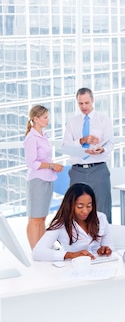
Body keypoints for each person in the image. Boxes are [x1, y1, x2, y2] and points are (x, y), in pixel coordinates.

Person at [62, 87, 114, 223]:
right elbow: (66, 148)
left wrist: (101, 150)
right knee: (75, 209)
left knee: (102, 209)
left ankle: (104, 243)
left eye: (86, 103)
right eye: (80, 103)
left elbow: (110, 143)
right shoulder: (73, 122)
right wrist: (82, 141)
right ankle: (79, 242)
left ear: (92, 101)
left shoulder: (103, 120)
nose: (84, 106)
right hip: (77, 170)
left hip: (98, 169)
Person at [32, 183, 114, 261]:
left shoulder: (101, 218)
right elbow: (37, 252)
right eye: (80, 206)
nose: (85, 211)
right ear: (70, 205)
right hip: (74, 268)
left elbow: (110, 245)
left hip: (100, 266)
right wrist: (71, 255)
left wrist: (106, 249)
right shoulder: (61, 225)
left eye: (89, 206)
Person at [24, 105, 64, 249]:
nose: (48, 120)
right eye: (45, 117)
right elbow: (31, 162)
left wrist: (52, 166)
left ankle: (42, 248)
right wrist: (52, 165)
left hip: (47, 179)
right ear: (36, 119)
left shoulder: (43, 135)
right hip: (37, 181)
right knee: (35, 218)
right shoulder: (31, 137)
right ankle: (35, 250)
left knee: (42, 217)